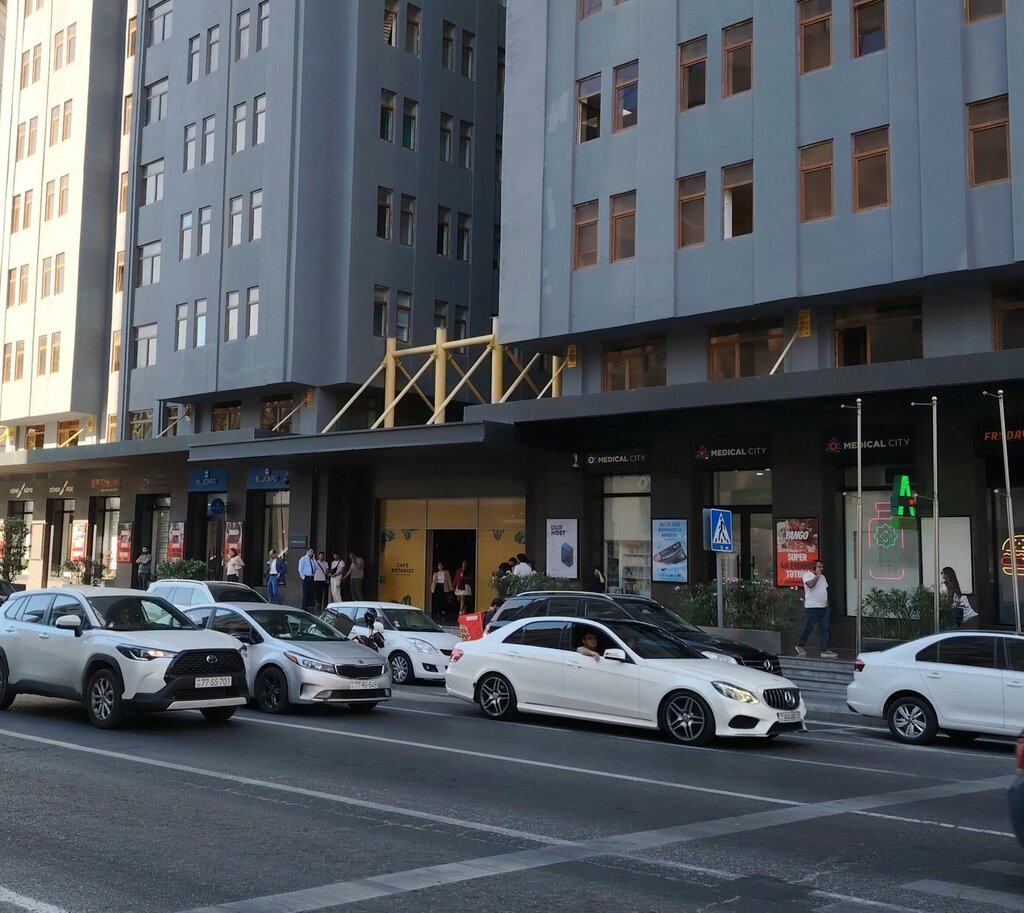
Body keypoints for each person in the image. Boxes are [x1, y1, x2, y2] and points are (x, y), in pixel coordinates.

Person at [796, 560, 836, 658]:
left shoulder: (823, 577)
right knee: (809, 627)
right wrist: (817, 576)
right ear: (814, 567)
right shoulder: (807, 575)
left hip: (824, 607)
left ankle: (825, 650)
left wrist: (827, 604)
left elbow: (825, 590)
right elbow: (810, 585)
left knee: (824, 629)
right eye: (819, 567)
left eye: (822, 567)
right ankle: (800, 645)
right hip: (812, 607)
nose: (821, 569)